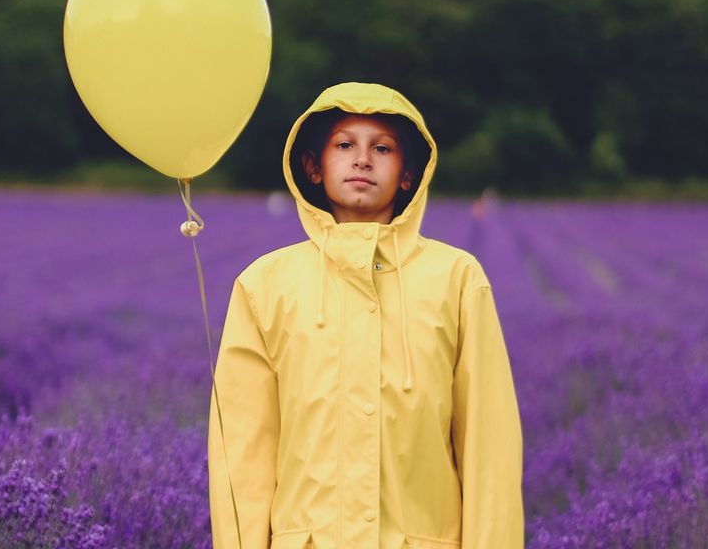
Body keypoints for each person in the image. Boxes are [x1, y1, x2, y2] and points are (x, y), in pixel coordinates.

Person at [208, 82, 523, 549]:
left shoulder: (456, 278)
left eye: (382, 148)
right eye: (343, 145)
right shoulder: (264, 285)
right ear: (313, 167)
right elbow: (242, 454)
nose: (362, 160)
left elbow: (488, 446)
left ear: (408, 175)